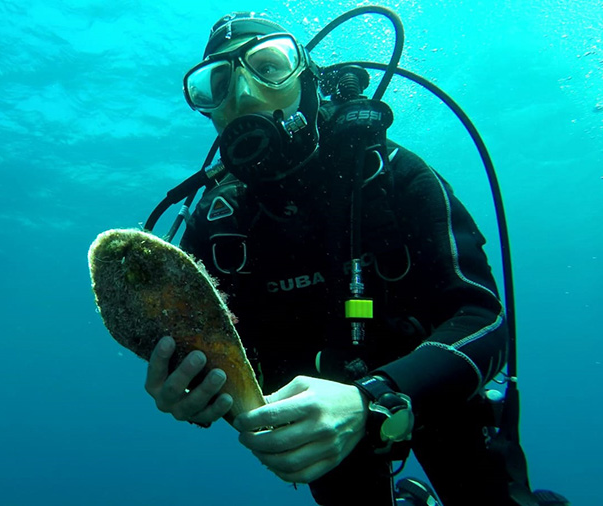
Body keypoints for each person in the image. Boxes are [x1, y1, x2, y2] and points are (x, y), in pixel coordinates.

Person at [142, 11, 568, 506]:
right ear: (209, 109)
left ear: (309, 77)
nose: (243, 94)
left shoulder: (393, 178)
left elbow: (485, 320)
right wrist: (198, 392)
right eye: (216, 83)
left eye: (268, 65)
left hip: (437, 394)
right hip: (319, 426)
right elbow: (219, 356)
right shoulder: (217, 226)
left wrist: (374, 400)